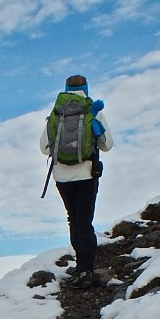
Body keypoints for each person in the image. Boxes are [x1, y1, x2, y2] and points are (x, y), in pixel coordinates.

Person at [40, 74, 113, 288]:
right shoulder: (93, 112)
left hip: (62, 177)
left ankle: (81, 269)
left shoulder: (56, 113)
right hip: (86, 174)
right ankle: (86, 271)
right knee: (85, 222)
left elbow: (44, 147)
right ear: (86, 88)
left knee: (73, 220)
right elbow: (107, 145)